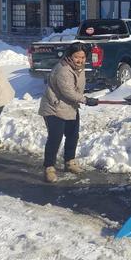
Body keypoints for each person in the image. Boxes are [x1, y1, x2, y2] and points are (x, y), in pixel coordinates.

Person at [38, 42, 99, 183]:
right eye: (77, 57)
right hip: (54, 107)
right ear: (70, 56)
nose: (80, 60)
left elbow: (76, 89)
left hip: (70, 107)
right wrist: (85, 100)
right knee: (55, 138)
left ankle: (69, 162)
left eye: (83, 57)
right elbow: (68, 92)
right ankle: (49, 168)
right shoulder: (63, 70)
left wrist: (82, 98)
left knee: (73, 135)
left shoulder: (79, 68)